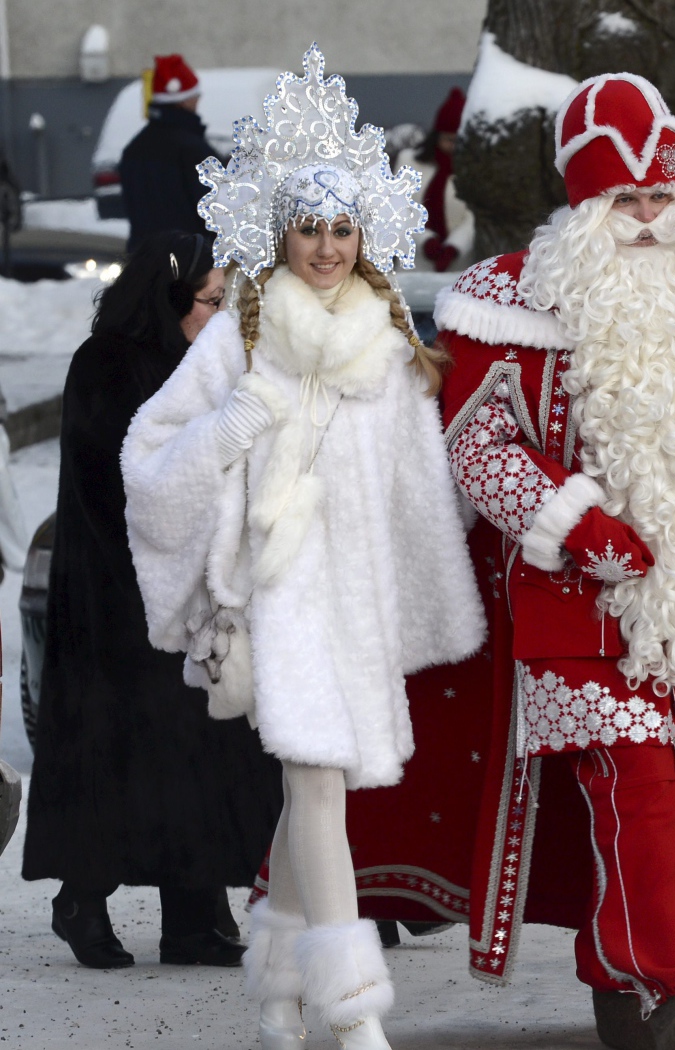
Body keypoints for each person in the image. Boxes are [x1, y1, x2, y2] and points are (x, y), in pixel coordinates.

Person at [417, 72, 675, 1049]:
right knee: (634, 785)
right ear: (580, 203)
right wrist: (576, 524)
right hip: (573, 605)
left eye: (661, 197)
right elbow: (475, 444)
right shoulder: (511, 304)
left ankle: (618, 973)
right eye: (622, 200)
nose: (646, 219)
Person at [121, 47, 484, 1050]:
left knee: (313, 787)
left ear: (365, 233)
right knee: (318, 779)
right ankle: (352, 1008)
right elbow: (149, 457)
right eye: (307, 229)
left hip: (357, 600)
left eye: (340, 228)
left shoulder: (392, 339)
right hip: (277, 595)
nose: (325, 249)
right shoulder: (239, 338)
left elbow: (421, 488)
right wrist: (235, 424)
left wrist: (430, 601)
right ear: (278, 232)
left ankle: (278, 978)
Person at [21, 231, 282, 971]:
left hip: (186, 588)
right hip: (113, 594)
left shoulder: (199, 360)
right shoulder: (105, 363)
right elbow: (119, 477)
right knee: (119, 754)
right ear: (165, 299)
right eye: (207, 301)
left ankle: (195, 917)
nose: (218, 314)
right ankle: (83, 897)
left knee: (195, 750)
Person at [119, 54, 216, 250]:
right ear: (183, 100)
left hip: (144, 261)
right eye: (194, 94)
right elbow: (215, 209)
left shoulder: (134, 149)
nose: (198, 99)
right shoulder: (192, 149)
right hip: (190, 260)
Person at [403, 86, 474, 272]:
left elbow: (474, 217)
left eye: (459, 140)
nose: (453, 146)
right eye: (448, 139)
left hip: (457, 265)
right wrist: (425, 239)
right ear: (437, 137)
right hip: (416, 262)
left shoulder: (473, 169)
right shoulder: (410, 161)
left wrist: (454, 247)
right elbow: (401, 208)